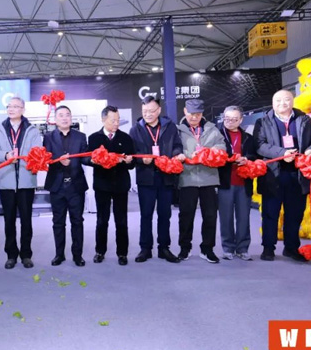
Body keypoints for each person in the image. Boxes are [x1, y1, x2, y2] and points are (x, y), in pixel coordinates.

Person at [255, 89, 311, 262]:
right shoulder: (263, 122)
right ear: (272, 103)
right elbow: (259, 145)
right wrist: (282, 153)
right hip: (273, 175)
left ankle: (291, 248)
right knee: (270, 214)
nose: (282, 104)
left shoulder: (304, 120)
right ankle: (268, 248)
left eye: (286, 100)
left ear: (292, 101)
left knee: (295, 214)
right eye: (278, 100)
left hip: (298, 175)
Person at [130, 95, 185, 264]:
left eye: (151, 111)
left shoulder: (170, 127)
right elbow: (132, 153)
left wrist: (177, 154)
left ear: (159, 110)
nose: (148, 114)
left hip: (166, 176)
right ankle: (145, 249)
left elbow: (177, 146)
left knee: (165, 215)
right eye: (145, 111)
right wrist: (141, 160)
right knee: (146, 215)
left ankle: (164, 248)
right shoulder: (135, 129)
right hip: (146, 177)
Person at [0, 96, 41, 269]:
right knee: (9, 220)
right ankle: (11, 255)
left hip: (26, 181)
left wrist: (27, 158)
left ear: (23, 109)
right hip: (6, 181)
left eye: (15, 106)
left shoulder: (32, 130)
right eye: (9, 106)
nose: (11, 109)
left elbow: (37, 152)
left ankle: (26, 254)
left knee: (26, 220)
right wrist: (6, 156)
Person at [176, 99, 226, 263]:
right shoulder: (178, 130)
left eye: (197, 114)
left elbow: (222, 147)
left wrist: (210, 152)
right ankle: (185, 248)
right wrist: (186, 155)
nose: (194, 117)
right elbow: (174, 148)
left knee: (210, 216)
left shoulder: (212, 129)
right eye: (191, 113)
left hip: (209, 178)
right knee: (186, 216)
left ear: (202, 114)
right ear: (185, 111)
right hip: (187, 178)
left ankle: (207, 249)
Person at [88, 106, 135, 265]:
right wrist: (94, 161)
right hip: (102, 185)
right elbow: (88, 160)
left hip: (121, 185)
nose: (116, 123)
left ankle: (122, 253)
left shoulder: (125, 138)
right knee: (102, 220)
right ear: (103, 119)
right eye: (113, 120)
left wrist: (129, 161)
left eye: (118, 120)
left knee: (121, 221)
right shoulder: (94, 138)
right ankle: (100, 251)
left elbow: (132, 164)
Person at [43, 106, 90, 267]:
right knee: (58, 222)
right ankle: (59, 255)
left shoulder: (80, 136)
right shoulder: (48, 137)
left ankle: (77, 255)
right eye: (61, 115)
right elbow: (46, 159)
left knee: (77, 221)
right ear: (55, 120)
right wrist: (58, 161)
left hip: (76, 186)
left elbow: (84, 158)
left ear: (71, 118)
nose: (64, 118)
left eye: (67, 115)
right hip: (57, 186)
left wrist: (95, 160)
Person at [217, 106, 257, 261]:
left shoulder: (248, 137)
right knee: (226, 217)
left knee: (243, 218)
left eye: (234, 119)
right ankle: (227, 248)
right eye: (227, 119)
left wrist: (247, 159)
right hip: (225, 182)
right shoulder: (217, 135)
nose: (230, 122)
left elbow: (255, 155)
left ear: (241, 120)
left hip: (243, 182)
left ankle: (242, 248)